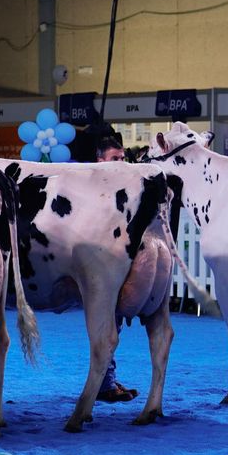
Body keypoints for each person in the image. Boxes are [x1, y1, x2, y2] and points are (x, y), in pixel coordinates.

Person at [96, 134, 138, 402]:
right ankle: (104, 384)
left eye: (123, 159)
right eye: (115, 159)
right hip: (100, 267)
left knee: (113, 325)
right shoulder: (96, 190)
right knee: (107, 326)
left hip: (113, 264)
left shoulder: (123, 188)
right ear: (99, 160)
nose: (121, 164)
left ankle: (106, 380)